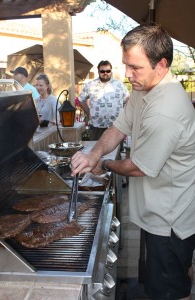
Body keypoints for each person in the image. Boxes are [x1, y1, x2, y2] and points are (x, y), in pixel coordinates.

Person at [71, 23, 195, 300]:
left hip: (171, 220)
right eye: (125, 65)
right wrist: (94, 153)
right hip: (156, 211)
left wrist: (102, 165)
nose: (127, 75)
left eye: (134, 67)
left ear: (161, 65)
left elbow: (138, 167)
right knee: (158, 281)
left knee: (170, 291)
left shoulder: (167, 110)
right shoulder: (144, 88)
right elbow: (119, 126)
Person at [78, 60, 130, 140]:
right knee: (95, 149)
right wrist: (88, 113)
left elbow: (128, 99)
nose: (105, 73)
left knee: (116, 151)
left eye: (108, 71)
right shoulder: (90, 85)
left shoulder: (120, 85)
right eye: (102, 71)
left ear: (111, 71)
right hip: (96, 126)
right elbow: (81, 100)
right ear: (98, 72)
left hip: (116, 126)